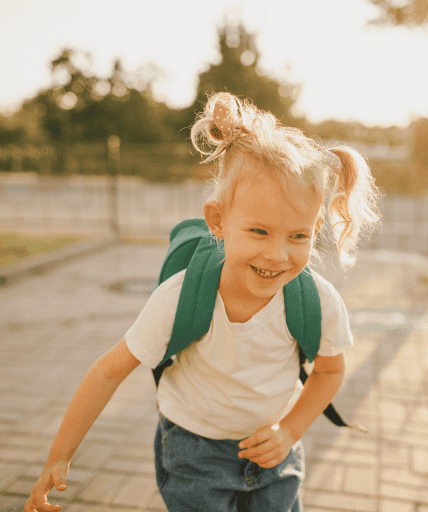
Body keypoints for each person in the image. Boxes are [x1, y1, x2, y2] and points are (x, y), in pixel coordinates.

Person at [24, 92, 380, 512]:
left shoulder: (317, 301)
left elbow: (329, 371)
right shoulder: (181, 296)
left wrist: (289, 431)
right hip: (194, 454)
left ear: (316, 227)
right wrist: (59, 456)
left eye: (298, 236)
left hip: (275, 454)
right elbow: (106, 372)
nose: (277, 255)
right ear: (218, 221)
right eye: (259, 232)